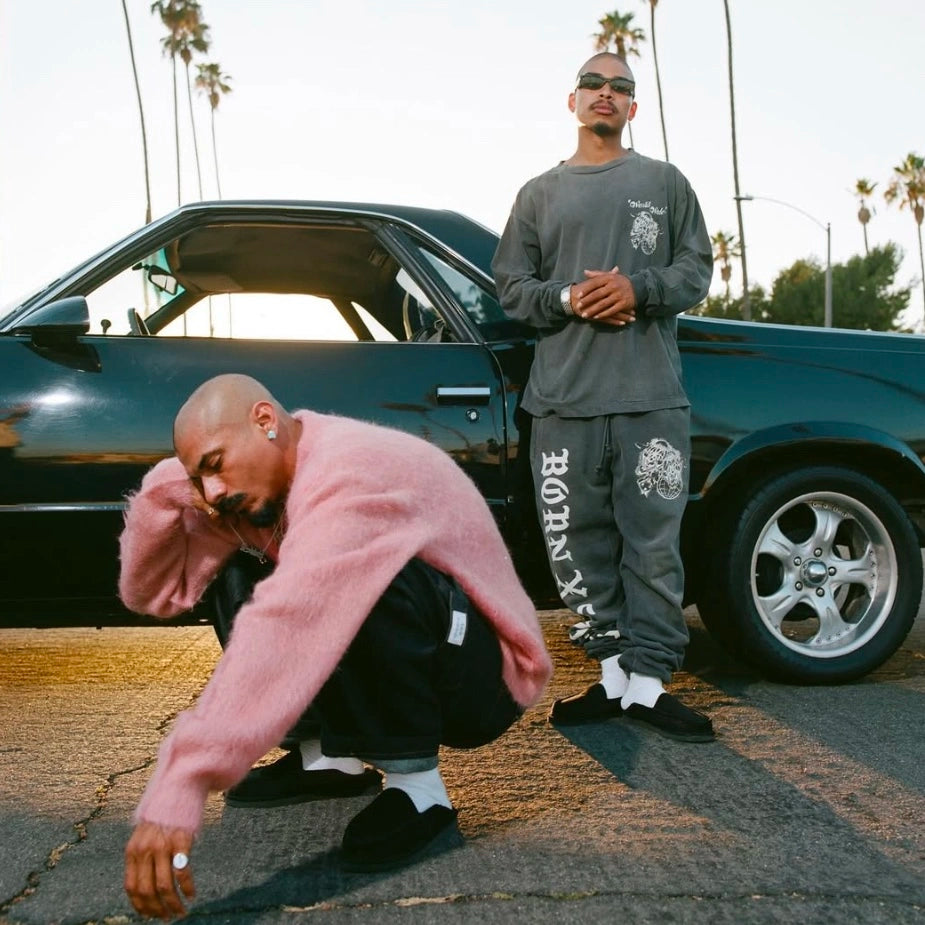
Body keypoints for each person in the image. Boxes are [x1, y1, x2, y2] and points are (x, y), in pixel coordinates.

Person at [119, 373, 552, 920]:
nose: (212, 491)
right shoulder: (257, 488)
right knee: (238, 563)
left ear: (264, 421)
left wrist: (181, 781)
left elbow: (292, 621)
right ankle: (328, 757)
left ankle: (419, 790)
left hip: (488, 675)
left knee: (363, 580)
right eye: (197, 477)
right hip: (434, 647)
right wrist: (165, 491)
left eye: (214, 464)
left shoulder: (353, 472)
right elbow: (152, 594)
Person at [492, 52, 714, 743]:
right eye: (594, 83)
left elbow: (694, 268)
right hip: (561, 403)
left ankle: (649, 686)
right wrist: (569, 295)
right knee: (575, 547)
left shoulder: (664, 182)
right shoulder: (537, 194)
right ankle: (613, 676)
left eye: (620, 87)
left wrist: (637, 289)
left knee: (651, 544)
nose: (605, 94)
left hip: (650, 400)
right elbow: (511, 289)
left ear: (632, 108)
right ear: (572, 100)